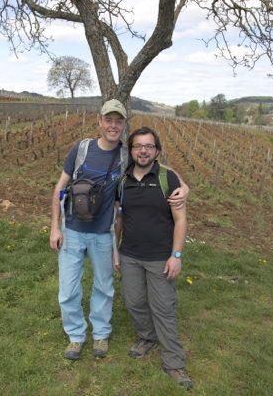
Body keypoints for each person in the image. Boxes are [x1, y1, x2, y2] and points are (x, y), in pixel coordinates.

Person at [50, 100, 188, 360]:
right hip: (72, 231)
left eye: (119, 121)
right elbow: (59, 187)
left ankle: (100, 334)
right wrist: (55, 227)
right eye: (108, 120)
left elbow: (162, 170)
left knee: (104, 286)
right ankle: (76, 335)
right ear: (100, 121)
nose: (113, 125)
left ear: (124, 125)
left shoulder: (127, 154)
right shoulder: (81, 149)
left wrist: (185, 187)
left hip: (103, 233)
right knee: (68, 289)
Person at [113, 127, 192, 389]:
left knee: (163, 309)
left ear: (156, 150)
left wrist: (176, 255)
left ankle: (174, 362)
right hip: (130, 255)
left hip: (160, 257)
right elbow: (119, 218)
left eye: (148, 146)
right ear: (131, 150)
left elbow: (180, 221)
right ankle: (147, 337)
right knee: (134, 302)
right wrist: (116, 250)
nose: (143, 150)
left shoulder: (168, 178)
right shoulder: (123, 180)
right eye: (137, 146)